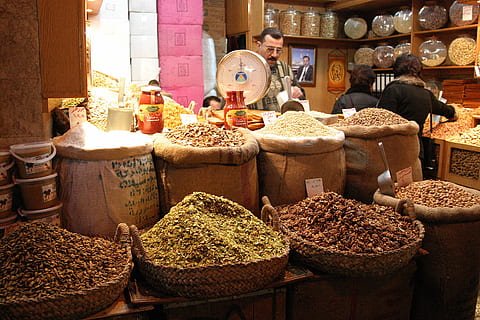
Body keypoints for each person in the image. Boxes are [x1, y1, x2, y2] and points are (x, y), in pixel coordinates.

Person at [376, 53, 457, 166]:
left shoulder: (393, 90)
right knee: (414, 180)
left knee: (396, 182)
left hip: (393, 150)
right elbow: (444, 109)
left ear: (396, 70)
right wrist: (453, 112)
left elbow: (380, 120)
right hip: (416, 149)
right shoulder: (425, 93)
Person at [248, 27, 305, 112]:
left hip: (281, 122)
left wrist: (299, 92)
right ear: (259, 45)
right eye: (270, 49)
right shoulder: (246, 69)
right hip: (255, 122)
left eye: (278, 50)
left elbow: (302, 95)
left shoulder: (285, 68)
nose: (274, 55)